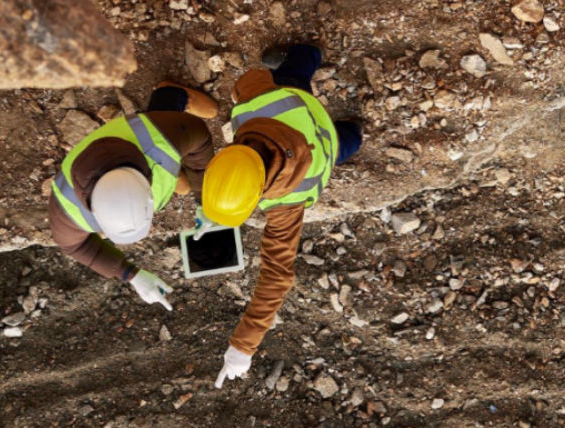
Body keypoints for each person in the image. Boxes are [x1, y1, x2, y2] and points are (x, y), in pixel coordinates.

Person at [201, 44, 364, 388]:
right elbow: (251, 79)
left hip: (330, 148)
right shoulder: (254, 104)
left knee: (347, 140)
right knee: (298, 69)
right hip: (301, 108)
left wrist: (243, 345)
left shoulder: (286, 206)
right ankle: (311, 53)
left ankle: (355, 129)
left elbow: (277, 276)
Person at [49, 82, 217, 311]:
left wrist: (204, 197)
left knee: (206, 114)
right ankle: (176, 173)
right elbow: (76, 247)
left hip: (153, 133)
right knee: (184, 185)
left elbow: (200, 141)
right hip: (147, 158)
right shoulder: (67, 209)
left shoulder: (163, 137)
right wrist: (130, 275)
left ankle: (174, 94)